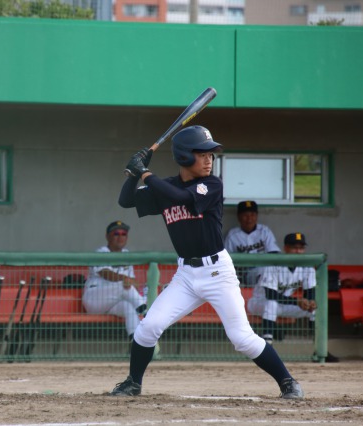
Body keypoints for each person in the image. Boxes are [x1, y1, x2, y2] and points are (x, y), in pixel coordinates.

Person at [110, 125, 303, 399]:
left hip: (217, 273)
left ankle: (288, 382)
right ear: (185, 156)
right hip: (186, 275)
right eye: (203, 154)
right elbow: (125, 200)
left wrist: (144, 172)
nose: (209, 159)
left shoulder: (212, 184)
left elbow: (179, 198)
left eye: (211, 154)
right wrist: (134, 172)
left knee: (241, 338)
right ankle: (133, 383)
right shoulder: (165, 186)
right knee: (149, 327)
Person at [247, 232, 339, 362]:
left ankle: (320, 350)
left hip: (284, 304)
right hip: (258, 303)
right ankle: (267, 350)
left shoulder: (307, 267)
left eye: (301, 248)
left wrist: (310, 302)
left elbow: (310, 292)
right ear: (285, 248)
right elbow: (270, 295)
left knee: (315, 310)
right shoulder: (274, 264)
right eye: (294, 247)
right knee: (271, 305)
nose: (298, 251)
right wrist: (297, 301)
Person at [82, 221, 146, 340]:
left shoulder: (127, 254)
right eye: (116, 233)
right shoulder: (100, 252)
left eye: (123, 234)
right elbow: (106, 273)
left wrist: (129, 281)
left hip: (114, 302)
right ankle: (146, 311)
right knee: (123, 286)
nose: (120, 237)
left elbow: (134, 282)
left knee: (128, 307)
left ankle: (137, 341)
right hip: (94, 299)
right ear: (108, 236)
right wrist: (125, 279)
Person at [224, 200, 280, 285]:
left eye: (252, 215)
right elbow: (226, 259)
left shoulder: (265, 231)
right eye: (245, 215)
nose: (249, 219)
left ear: (257, 216)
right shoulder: (232, 235)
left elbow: (274, 252)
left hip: (265, 269)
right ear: (239, 217)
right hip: (245, 273)